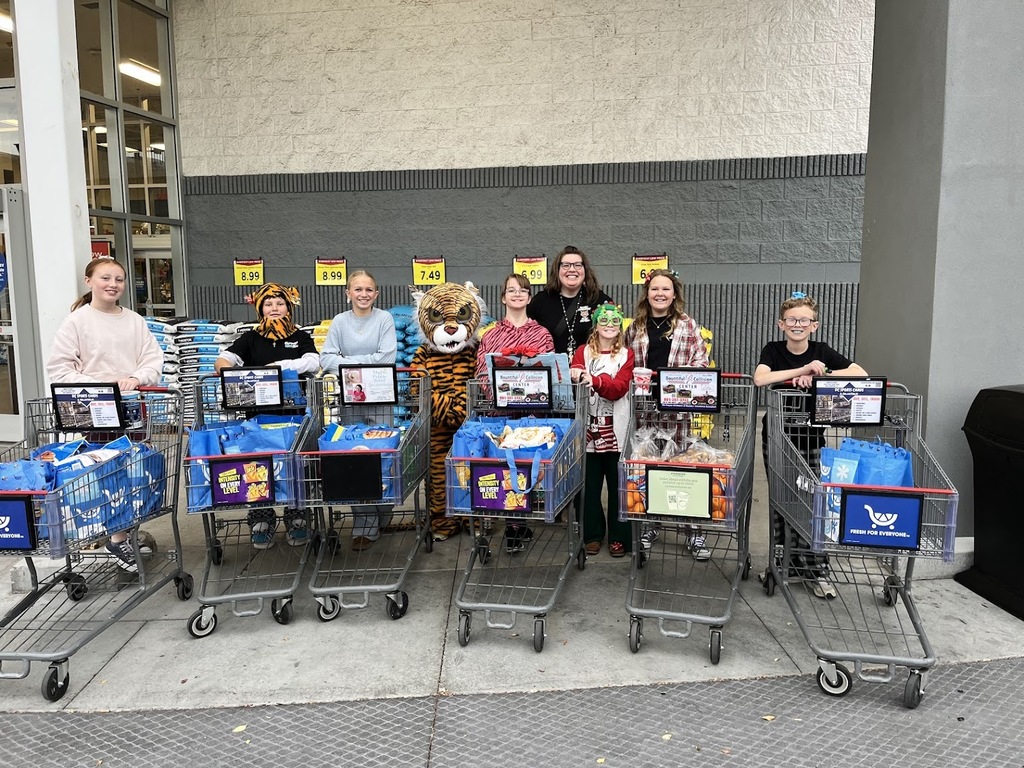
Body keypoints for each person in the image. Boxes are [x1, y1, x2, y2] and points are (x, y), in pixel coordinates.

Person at [47, 257, 163, 573]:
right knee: (104, 472)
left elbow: (153, 359)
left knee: (133, 470)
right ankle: (115, 536)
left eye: (119, 279)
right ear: (89, 281)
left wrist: (137, 378)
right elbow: (59, 369)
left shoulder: (134, 321)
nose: (113, 284)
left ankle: (121, 533)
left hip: (130, 406)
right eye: (105, 278)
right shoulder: (77, 322)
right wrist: (101, 385)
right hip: (93, 408)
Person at [753, 292, 867, 599]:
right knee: (780, 498)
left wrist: (822, 374)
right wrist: (802, 372)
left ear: (814, 325)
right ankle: (781, 563)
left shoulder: (821, 350)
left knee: (813, 500)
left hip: (812, 436)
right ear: (781, 324)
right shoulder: (774, 350)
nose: (797, 325)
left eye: (804, 320)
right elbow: (760, 379)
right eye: (791, 320)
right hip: (777, 434)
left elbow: (860, 373)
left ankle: (815, 568)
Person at [215, 283, 319, 549]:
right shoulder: (251, 338)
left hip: (293, 416)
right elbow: (226, 358)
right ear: (260, 308)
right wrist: (224, 368)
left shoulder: (299, 336)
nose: (274, 308)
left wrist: (281, 366)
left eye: (280, 303)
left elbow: (313, 362)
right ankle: (261, 517)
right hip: (257, 417)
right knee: (259, 465)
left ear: (289, 306)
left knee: (295, 466)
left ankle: (297, 515)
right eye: (268, 304)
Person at [624, 269, 712, 560]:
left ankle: (693, 530)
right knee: (648, 469)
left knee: (683, 470)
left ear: (675, 294)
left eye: (666, 289)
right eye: (654, 289)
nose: (659, 294)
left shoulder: (688, 326)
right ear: (646, 293)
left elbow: (701, 363)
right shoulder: (635, 327)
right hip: (645, 413)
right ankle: (651, 524)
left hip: (677, 413)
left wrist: (673, 381)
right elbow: (625, 364)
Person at [320, 270, 398, 551]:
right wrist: (363, 363)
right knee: (354, 456)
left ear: (376, 294)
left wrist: (347, 362)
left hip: (380, 397)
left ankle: (383, 512)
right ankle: (364, 524)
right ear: (348, 293)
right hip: (349, 399)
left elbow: (388, 356)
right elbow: (325, 357)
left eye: (369, 289)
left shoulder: (384, 319)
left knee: (380, 456)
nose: (363, 294)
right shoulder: (340, 322)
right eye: (358, 289)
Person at [477, 273, 554, 553]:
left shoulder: (542, 334)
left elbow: (552, 373)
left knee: (530, 465)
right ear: (503, 297)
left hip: (534, 416)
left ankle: (522, 521)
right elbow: (482, 374)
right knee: (507, 468)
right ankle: (513, 526)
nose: (517, 294)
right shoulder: (491, 335)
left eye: (523, 290)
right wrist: (498, 394)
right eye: (511, 290)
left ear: (529, 297)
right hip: (502, 415)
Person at [570, 303, 634, 558]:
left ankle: (620, 536)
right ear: (595, 324)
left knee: (619, 486)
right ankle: (592, 534)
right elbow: (573, 377)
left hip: (617, 429)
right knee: (589, 485)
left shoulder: (626, 355)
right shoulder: (582, 352)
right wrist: (576, 376)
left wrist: (594, 380)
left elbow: (620, 388)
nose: (609, 324)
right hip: (588, 429)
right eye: (604, 320)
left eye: (615, 321)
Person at [527, 246, 612, 358]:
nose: (572, 269)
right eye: (566, 265)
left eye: (577, 265)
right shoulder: (540, 301)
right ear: (557, 270)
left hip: (589, 371)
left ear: (585, 270)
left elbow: (613, 336)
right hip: (553, 370)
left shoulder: (599, 300)